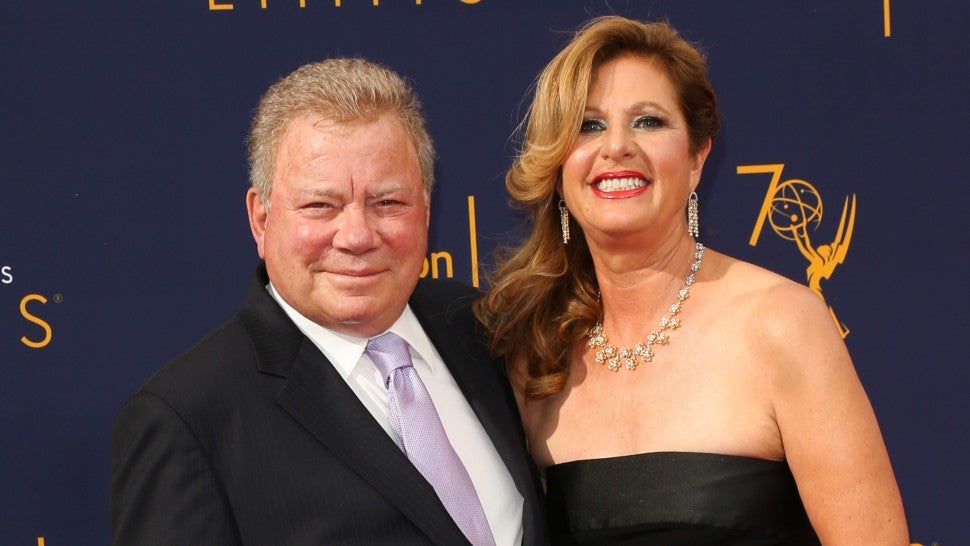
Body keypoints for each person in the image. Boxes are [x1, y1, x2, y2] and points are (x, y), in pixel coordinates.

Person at [475, 16, 908, 545]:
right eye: (588, 126)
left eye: (648, 121)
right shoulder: (536, 358)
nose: (616, 146)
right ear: (558, 168)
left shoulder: (781, 324)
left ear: (697, 156)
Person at [110, 58, 545, 545]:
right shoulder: (187, 419)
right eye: (320, 205)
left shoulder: (485, 329)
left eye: (387, 202)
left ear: (425, 210)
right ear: (261, 219)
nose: (357, 236)